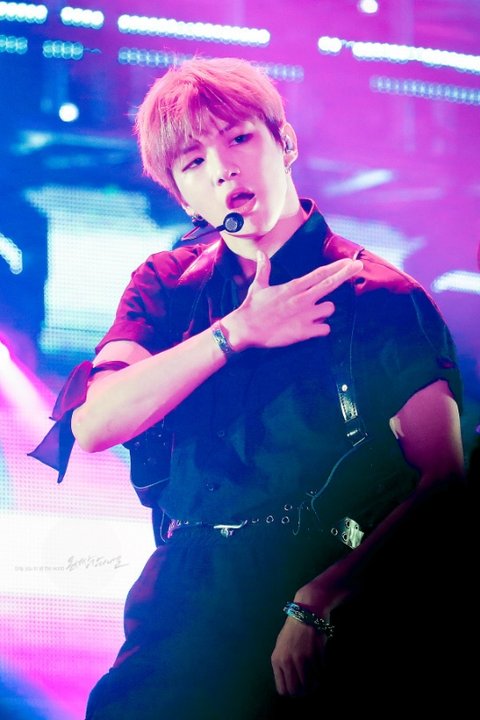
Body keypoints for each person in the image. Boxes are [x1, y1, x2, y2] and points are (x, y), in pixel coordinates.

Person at [31, 57, 465, 718]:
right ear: (184, 197)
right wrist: (236, 332)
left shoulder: (377, 295)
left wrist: (324, 595)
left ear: (283, 142)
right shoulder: (166, 284)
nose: (223, 169)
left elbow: (445, 482)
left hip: (321, 585)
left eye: (239, 139)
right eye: (193, 162)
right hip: (188, 587)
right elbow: (93, 425)